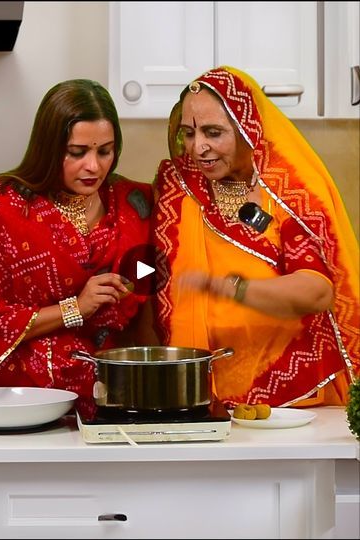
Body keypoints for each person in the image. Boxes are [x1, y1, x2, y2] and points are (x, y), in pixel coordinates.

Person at [0, 79, 153, 419]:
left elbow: (150, 269)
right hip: (17, 401)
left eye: (104, 151)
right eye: (77, 153)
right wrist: (75, 308)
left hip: (116, 394)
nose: (93, 166)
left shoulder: (132, 204)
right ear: (49, 148)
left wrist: (131, 282)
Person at [151, 66, 359, 409]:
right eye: (189, 133)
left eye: (213, 132)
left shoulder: (287, 193)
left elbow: (317, 291)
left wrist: (233, 288)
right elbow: (151, 265)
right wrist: (132, 276)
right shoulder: (177, 186)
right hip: (194, 395)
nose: (198, 147)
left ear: (248, 130)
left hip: (290, 399)